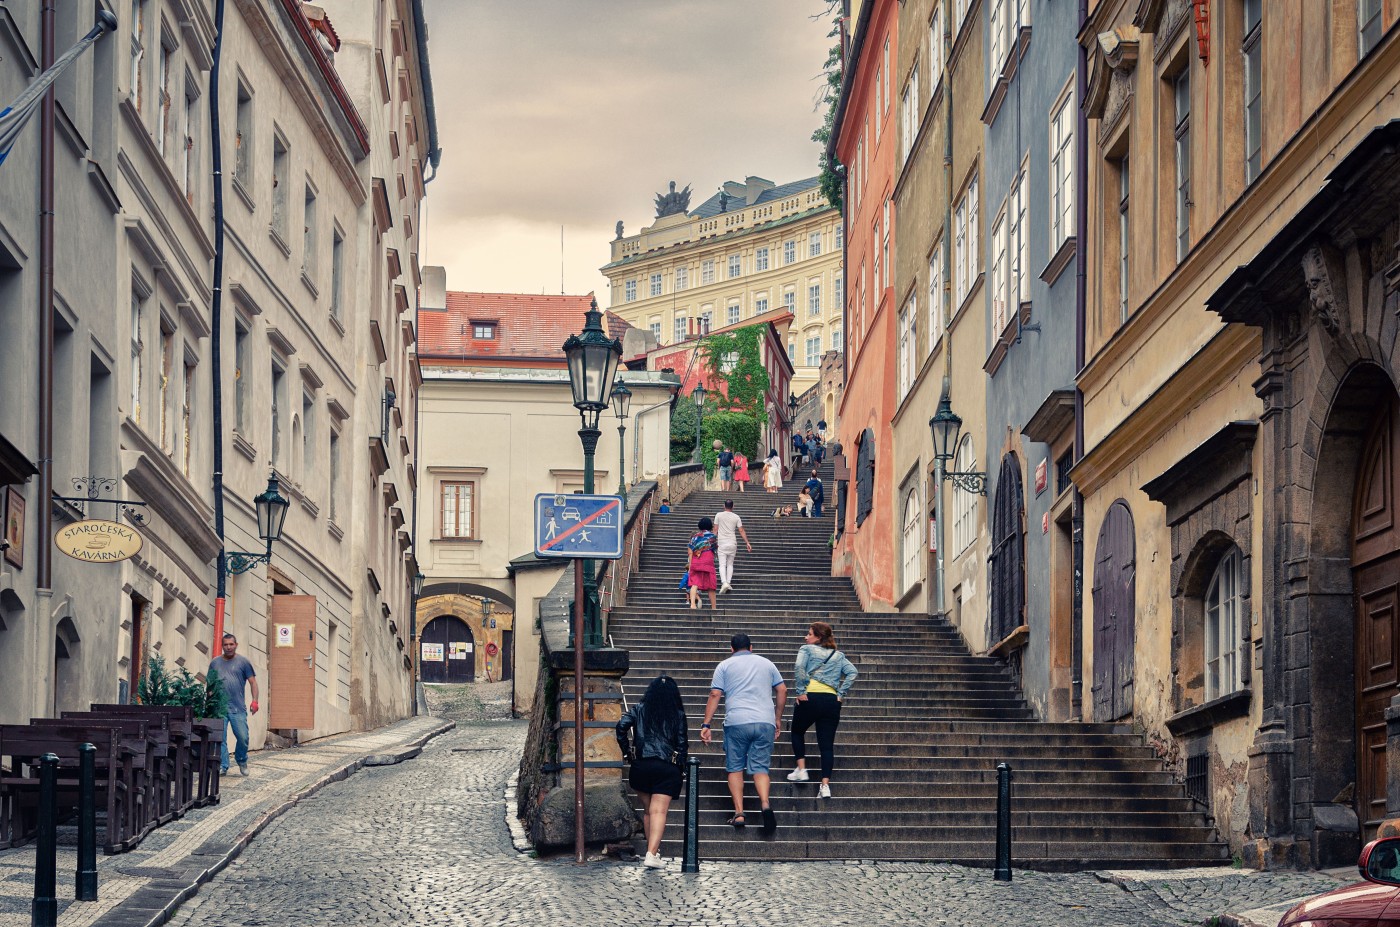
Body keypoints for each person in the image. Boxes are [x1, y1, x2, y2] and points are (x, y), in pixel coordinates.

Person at [700, 633, 787, 833]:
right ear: (751, 647)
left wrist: (706, 724)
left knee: (735, 767)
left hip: (737, 722)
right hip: (764, 721)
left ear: (731, 649)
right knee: (760, 768)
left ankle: (739, 813)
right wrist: (777, 718)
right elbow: (782, 690)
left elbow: (715, 694)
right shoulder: (767, 663)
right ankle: (765, 804)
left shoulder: (724, 666)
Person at [616, 674, 689, 869]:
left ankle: (652, 851)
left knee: (648, 811)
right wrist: (681, 767)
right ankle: (651, 853)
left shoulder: (639, 709)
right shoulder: (678, 714)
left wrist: (627, 753)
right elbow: (682, 745)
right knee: (659, 811)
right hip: (666, 767)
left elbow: (621, 727)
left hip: (641, 765)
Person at [787, 622, 857, 799]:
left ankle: (802, 770)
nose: (806, 637)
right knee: (826, 746)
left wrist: (801, 691)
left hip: (810, 697)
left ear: (818, 637)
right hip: (831, 702)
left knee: (796, 731)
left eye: (809, 634)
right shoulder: (838, 655)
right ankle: (825, 786)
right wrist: (840, 694)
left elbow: (799, 667)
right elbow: (852, 672)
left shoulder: (806, 649)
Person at [208, 632, 259, 777]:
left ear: (236, 645)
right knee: (220, 739)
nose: (229, 647)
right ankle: (223, 765)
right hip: (219, 708)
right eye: (226, 644)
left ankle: (242, 760)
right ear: (222, 646)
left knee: (243, 737)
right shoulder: (215, 663)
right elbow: (210, 685)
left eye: (231, 644)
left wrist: (255, 701)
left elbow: (253, 682)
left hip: (238, 708)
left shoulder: (243, 662)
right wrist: (209, 703)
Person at [714, 499, 752, 593]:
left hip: (722, 542)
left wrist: (712, 541)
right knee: (730, 564)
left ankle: (724, 582)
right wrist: (747, 542)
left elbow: (715, 529)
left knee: (722, 564)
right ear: (733, 506)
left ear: (724, 506)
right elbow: (741, 530)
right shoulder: (736, 517)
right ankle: (728, 582)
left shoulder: (718, 515)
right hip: (732, 542)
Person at [687, 517, 719, 609]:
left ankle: (692, 604)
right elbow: (715, 549)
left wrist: (690, 564)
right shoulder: (713, 537)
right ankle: (713, 607)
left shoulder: (695, 536)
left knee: (694, 583)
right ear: (710, 526)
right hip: (708, 561)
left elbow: (690, 550)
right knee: (711, 585)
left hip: (696, 560)